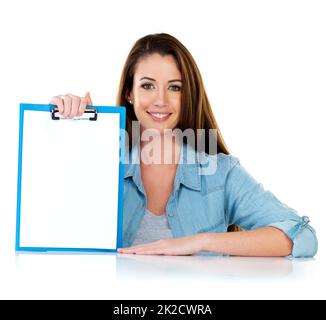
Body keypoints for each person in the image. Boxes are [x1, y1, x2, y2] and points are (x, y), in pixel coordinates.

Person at [50, 33, 317, 257]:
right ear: (130, 93)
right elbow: (51, 218)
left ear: (187, 94)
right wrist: (72, 131)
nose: (160, 100)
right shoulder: (101, 160)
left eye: (175, 87)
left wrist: (201, 241)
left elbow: (303, 236)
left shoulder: (220, 173)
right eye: (148, 86)